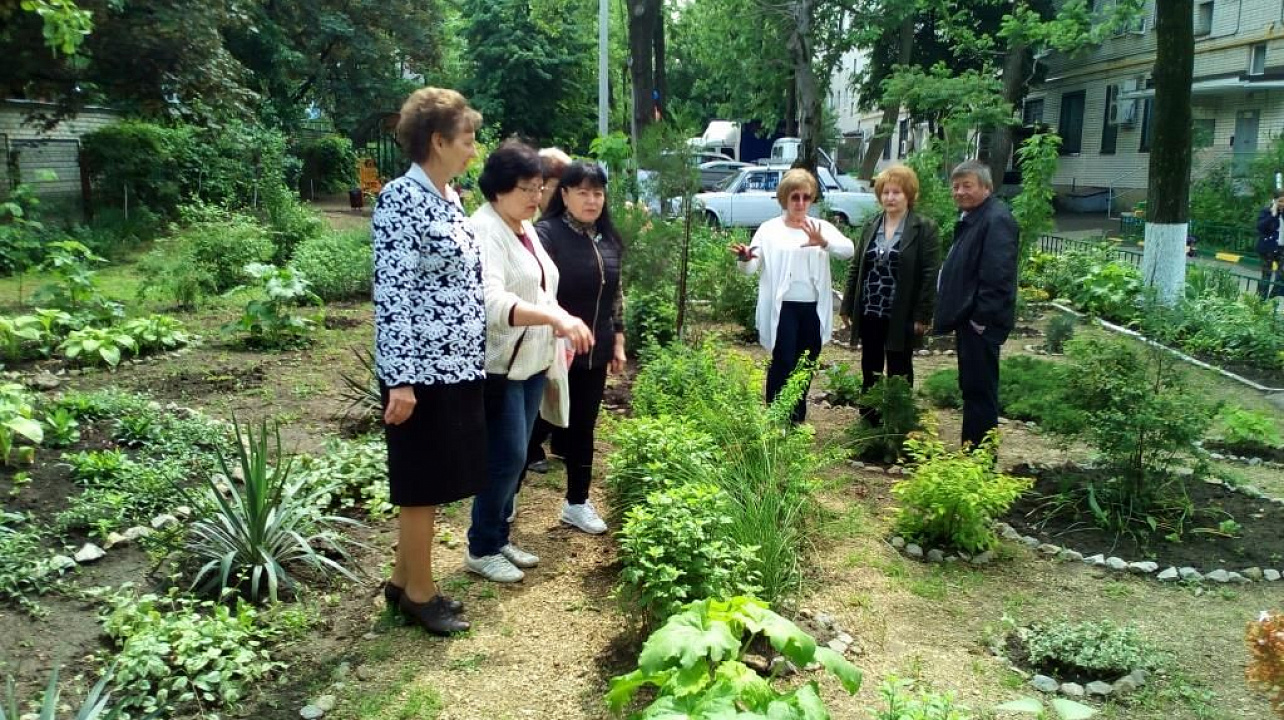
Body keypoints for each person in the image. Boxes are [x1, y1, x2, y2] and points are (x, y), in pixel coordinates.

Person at [372, 87, 483, 635]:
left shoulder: (449, 198)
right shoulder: (400, 199)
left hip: (457, 366)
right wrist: (401, 380)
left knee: (433, 480)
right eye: (467, 139)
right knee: (421, 484)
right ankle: (420, 594)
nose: (474, 149)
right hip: (420, 373)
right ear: (437, 141)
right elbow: (392, 294)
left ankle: (400, 581)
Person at [466, 140, 594, 583]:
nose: (536, 198)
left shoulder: (522, 227)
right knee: (505, 458)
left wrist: (563, 318)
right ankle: (481, 547)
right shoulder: (485, 230)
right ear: (499, 188)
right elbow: (491, 302)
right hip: (501, 365)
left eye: (540, 188)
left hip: (532, 361)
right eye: (527, 189)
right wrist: (554, 319)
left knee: (516, 456)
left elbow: (541, 290)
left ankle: (498, 536)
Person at [534, 161, 627, 534]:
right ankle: (503, 503)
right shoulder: (548, 235)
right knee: (536, 424)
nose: (592, 200)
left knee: (583, 426)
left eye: (598, 193)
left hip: (594, 349)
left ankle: (576, 502)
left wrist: (618, 339)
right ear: (565, 194)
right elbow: (537, 291)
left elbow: (616, 293)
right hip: (552, 349)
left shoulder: (607, 238)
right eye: (583, 192)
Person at [731, 168, 854, 423]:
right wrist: (744, 259)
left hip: (813, 307)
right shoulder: (769, 230)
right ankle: (776, 417)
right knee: (784, 360)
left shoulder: (820, 227)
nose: (800, 203)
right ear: (785, 198)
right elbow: (751, 267)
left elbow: (849, 250)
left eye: (806, 197)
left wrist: (824, 243)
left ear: (812, 199)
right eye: (795, 197)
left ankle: (797, 419)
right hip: (784, 307)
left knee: (806, 363)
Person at [932, 159, 1018, 450]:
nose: (959, 192)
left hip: (980, 324)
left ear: (986, 187)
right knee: (971, 389)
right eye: (955, 186)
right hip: (970, 320)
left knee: (980, 392)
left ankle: (979, 459)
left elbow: (998, 276)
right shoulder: (975, 217)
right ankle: (971, 453)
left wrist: (980, 319)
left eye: (967, 186)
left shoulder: (996, 219)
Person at [840, 164, 940, 405]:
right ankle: (870, 417)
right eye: (885, 192)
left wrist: (923, 314)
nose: (890, 197)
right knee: (870, 366)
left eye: (896, 192)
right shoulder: (871, 225)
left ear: (909, 195)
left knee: (899, 369)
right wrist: (847, 304)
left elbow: (930, 274)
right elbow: (857, 267)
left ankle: (898, 418)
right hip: (870, 309)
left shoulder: (924, 228)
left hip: (902, 312)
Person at [525, 147, 576, 477]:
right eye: (559, 186)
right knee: (544, 383)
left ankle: (559, 440)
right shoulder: (539, 229)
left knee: (561, 381)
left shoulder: (567, 225)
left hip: (566, 319)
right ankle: (531, 447)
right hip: (544, 322)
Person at [1255, 189, 1284, 299]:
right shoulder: (1266, 211)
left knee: (1282, 275)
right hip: (1267, 248)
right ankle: (1260, 301)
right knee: (1266, 275)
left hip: (1281, 249)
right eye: (1280, 201)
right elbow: (1260, 227)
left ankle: (1272, 299)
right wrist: (1273, 215)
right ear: (1274, 200)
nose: (1282, 204)